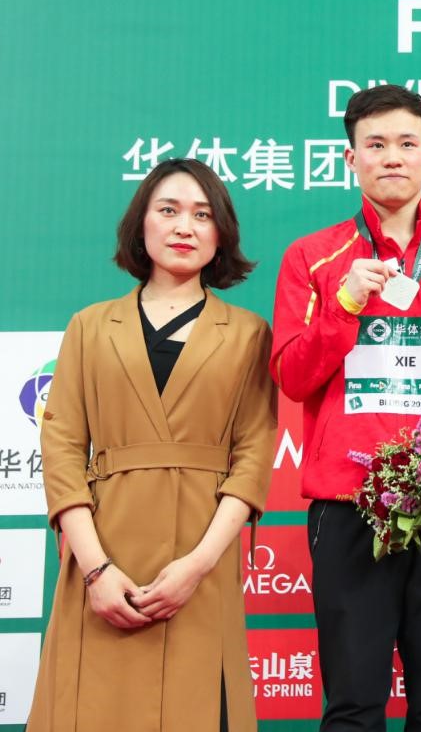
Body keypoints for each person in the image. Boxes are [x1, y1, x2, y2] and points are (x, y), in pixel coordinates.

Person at [270, 84, 421, 731]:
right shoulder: (313, 258)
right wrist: (343, 306)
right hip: (349, 503)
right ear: (349, 158)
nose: (391, 157)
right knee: (354, 704)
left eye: (407, 144)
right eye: (375, 144)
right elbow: (292, 377)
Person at [27, 158, 277, 732]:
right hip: (104, 553)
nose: (184, 226)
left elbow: (252, 458)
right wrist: (96, 571)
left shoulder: (248, 333)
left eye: (202, 215)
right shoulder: (90, 326)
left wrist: (197, 566)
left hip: (200, 561)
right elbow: (62, 450)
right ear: (141, 224)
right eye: (168, 210)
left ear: (222, 234)